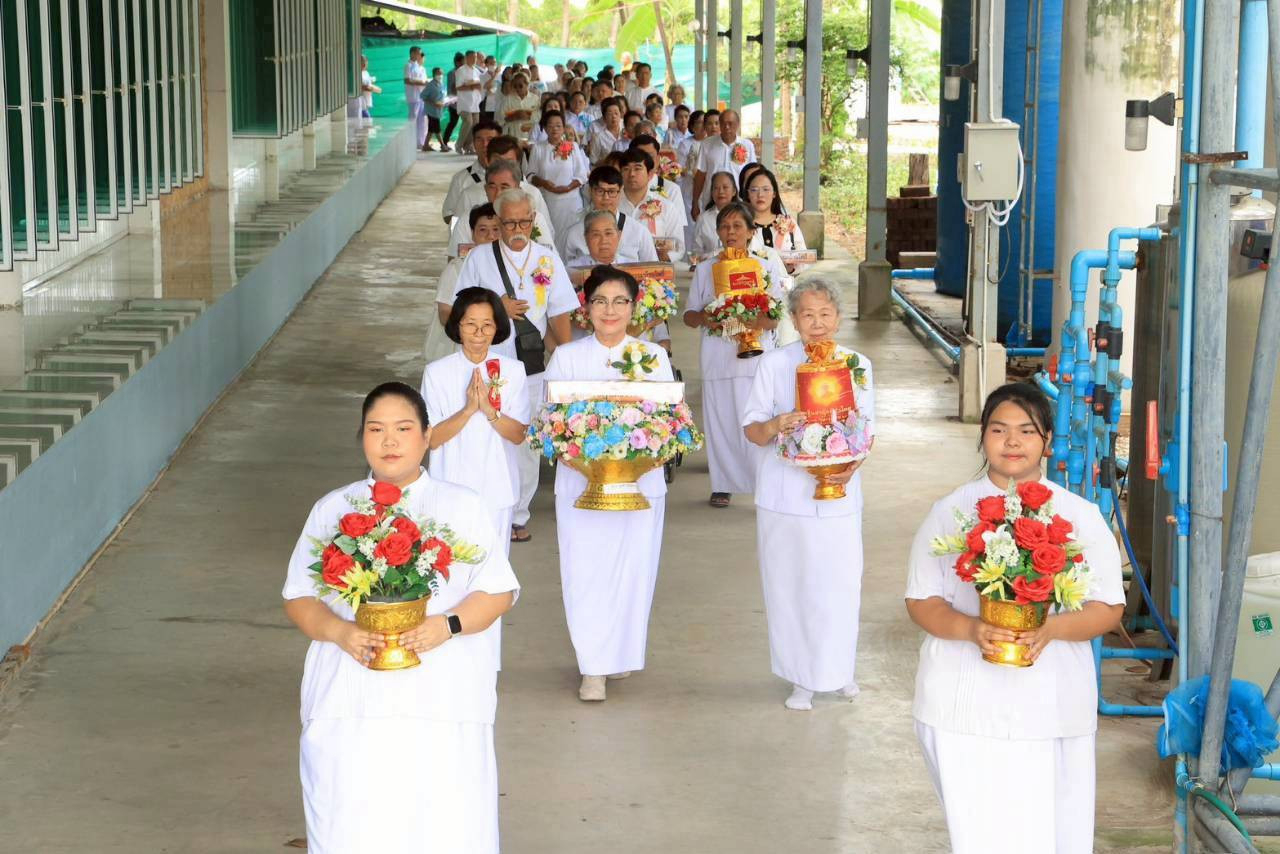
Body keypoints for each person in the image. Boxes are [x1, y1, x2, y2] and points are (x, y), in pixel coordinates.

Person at [282, 382, 519, 854]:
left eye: (403, 428)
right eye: (376, 429)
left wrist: (446, 625)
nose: (389, 441)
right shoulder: (334, 509)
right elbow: (299, 597)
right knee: (352, 816)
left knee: (444, 820)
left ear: (427, 436)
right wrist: (340, 632)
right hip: (351, 691)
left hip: (442, 693)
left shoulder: (462, 505)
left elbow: (498, 590)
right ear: (362, 437)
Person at [905, 382, 1124, 854]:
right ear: (982, 436)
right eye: (999, 429)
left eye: (1027, 431)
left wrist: (1052, 628)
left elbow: (1108, 606)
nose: (1012, 441)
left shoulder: (1079, 516)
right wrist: (971, 629)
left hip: (1051, 704)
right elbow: (921, 599)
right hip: (962, 703)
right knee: (978, 832)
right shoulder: (950, 512)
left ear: (1048, 441)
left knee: (1051, 830)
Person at [542, 265, 675, 702]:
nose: (610, 310)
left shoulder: (651, 357)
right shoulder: (567, 357)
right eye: (600, 301)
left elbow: (669, 422)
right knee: (585, 571)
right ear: (586, 308)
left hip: (641, 485)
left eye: (620, 301)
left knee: (633, 571)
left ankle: (619, 654)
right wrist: (578, 457)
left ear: (634, 308)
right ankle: (592, 667)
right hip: (581, 485)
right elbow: (550, 421)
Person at [741, 278, 875, 710]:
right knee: (790, 586)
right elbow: (752, 430)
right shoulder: (774, 364)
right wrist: (778, 424)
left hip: (839, 497)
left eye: (825, 314)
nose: (817, 323)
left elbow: (867, 431)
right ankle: (800, 678)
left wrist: (850, 466)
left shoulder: (857, 365)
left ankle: (839, 671)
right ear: (794, 320)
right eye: (807, 315)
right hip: (784, 498)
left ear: (838, 318)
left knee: (840, 585)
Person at [451, 189, 579, 543]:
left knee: (524, 441)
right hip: (486, 364)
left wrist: (566, 362)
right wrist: (497, 307)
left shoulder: (546, 258)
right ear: (498, 221)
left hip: (530, 365)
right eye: (509, 223)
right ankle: (483, 512)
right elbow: (462, 307)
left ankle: (518, 515)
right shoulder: (479, 257)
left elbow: (559, 312)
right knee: (484, 438)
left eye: (524, 222)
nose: (517, 229)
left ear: (534, 220)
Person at [682, 201, 786, 508]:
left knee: (758, 421)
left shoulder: (766, 266)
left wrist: (755, 322)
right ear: (717, 232)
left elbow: (776, 315)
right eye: (725, 227)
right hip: (718, 355)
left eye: (738, 226)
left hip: (757, 357)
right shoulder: (705, 268)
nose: (731, 232)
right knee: (722, 422)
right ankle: (722, 484)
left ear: (751, 232)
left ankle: (763, 484)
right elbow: (689, 315)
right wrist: (708, 317)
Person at [423, 287, 530, 558]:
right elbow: (432, 439)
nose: (479, 334)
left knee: (493, 567)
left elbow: (518, 434)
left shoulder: (513, 371)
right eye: (470, 324)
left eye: (487, 325)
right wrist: (468, 410)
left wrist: (490, 411)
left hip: (498, 488)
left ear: (497, 328)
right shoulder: (437, 373)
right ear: (457, 326)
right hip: (449, 487)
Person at [431, 203, 504, 365]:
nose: (491, 236)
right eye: (483, 230)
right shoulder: (456, 268)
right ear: (472, 234)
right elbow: (445, 313)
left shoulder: (513, 268)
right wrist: (475, 334)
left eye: (496, 229)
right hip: (462, 350)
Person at [449, 159, 556, 258]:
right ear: (486, 189)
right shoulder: (467, 219)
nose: (498, 193)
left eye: (504, 187)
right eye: (492, 187)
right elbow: (456, 259)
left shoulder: (532, 218)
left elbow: (549, 256)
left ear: (518, 189)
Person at [557, 166, 659, 267]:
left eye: (612, 192)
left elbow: (654, 270)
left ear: (621, 191)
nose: (606, 197)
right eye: (600, 191)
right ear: (590, 191)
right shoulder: (573, 232)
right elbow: (562, 269)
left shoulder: (639, 232)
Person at [526, 112, 591, 238]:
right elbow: (530, 175)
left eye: (558, 126)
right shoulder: (538, 148)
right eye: (550, 126)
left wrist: (567, 188)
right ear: (545, 128)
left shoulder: (573, 146)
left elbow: (582, 175)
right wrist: (544, 183)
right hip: (549, 200)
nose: (554, 129)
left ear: (563, 128)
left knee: (571, 235)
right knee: (551, 234)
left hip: (571, 201)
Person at [618, 149, 686, 264]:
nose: (631, 174)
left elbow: (679, 247)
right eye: (626, 169)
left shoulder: (666, 207)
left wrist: (666, 254)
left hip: (655, 270)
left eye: (637, 168)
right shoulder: (612, 205)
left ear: (650, 175)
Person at [692, 109, 757, 215]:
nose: (727, 127)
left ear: (737, 124)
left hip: (739, 202)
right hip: (712, 202)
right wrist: (695, 203)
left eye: (730, 123)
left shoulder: (747, 145)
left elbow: (752, 176)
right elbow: (700, 175)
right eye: (723, 123)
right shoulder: (707, 144)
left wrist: (753, 201)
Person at [743, 166, 807, 262]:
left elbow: (804, 257)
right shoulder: (742, 225)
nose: (760, 195)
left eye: (766, 189)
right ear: (748, 194)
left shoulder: (789, 223)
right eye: (754, 190)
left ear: (774, 193)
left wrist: (791, 266)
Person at [443, 121, 501, 223]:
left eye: (490, 139)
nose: (485, 144)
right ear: (473, 143)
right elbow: (448, 214)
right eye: (479, 139)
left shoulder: (514, 176)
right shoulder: (461, 179)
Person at [690, 171, 739, 259]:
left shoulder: (743, 216)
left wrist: (714, 254)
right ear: (712, 193)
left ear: (734, 191)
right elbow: (696, 252)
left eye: (725, 187)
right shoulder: (703, 219)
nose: (721, 191)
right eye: (716, 188)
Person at [455, 51, 485, 154]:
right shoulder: (461, 70)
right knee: (468, 122)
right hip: (465, 102)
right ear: (466, 58)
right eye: (472, 57)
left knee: (475, 125)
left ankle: (469, 146)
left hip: (475, 102)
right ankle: (459, 144)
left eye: (475, 57)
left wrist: (478, 86)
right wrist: (472, 86)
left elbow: (480, 84)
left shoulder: (477, 71)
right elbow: (458, 87)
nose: (474, 59)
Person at [500, 73, 541, 143]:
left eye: (520, 86)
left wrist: (527, 115)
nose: (517, 88)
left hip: (530, 136)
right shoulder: (508, 99)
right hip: (513, 136)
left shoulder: (535, 99)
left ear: (527, 84)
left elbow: (539, 116)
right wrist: (515, 116)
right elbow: (501, 118)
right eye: (515, 86)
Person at [403, 47, 428, 148]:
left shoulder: (418, 66)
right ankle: (410, 142)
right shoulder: (408, 65)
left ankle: (421, 142)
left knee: (422, 120)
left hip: (421, 96)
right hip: (413, 97)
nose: (420, 56)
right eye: (418, 53)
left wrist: (425, 83)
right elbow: (407, 80)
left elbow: (423, 80)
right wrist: (421, 82)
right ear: (412, 54)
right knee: (413, 119)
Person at [588, 100, 626, 165]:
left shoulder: (627, 131)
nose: (614, 116)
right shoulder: (599, 137)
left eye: (616, 113)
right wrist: (608, 162)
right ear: (604, 118)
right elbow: (593, 159)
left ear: (620, 115)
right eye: (610, 114)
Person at [422, 67, 448, 152]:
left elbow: (443, 95)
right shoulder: (430, 85)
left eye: (441, 73)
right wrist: (434, 102)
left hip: (439, 109)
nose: (440, 75)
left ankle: (425, 145)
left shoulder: (442, 84)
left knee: (431, 128)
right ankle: (443, 145)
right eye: (438, 73)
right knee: (437, 128)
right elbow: (422, 96)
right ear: (433, 74)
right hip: (431, 110)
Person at [443, 53, 464, 147]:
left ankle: (464, 143)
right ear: (457, 62)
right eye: (463, 62)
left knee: (466, 122)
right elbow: (453, 88)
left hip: (463, 101)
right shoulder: (452, 73)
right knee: (453, 122)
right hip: (454, 102)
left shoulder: (463, 72)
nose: (464, 64)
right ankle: (444, 142)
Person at [359, 55, 381, 121]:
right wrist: (374, 89)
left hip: (366, 104)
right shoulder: (357, 74)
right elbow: (363, 87)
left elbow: (369, 84)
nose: (364, 64)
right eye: (362, 62)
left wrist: (375, 88)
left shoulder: (366, 73)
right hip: (361, 104)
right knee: (368, 122)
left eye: (365, 62)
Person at [481, 55, 500, 126]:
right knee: (487, 125)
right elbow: (486, 87)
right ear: (486, 64)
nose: (493, 65)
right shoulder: (482, 76)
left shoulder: (500, 76)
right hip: (486, 106)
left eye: (494, 62)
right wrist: (494, 76)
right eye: (491, 63)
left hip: (498, 105)